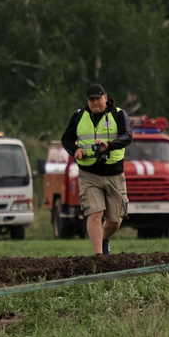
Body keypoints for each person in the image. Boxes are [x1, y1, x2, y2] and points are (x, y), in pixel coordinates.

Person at [63, 85, 131, 257]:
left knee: (115, 220)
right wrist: (75, 150)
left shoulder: (118, 114)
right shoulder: (79, 116)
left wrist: (109, 146)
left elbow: (127, 136)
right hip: (89, 173)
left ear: (105, 98)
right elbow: (66, 139)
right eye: (91, 99)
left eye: (98, 99)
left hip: (114, 173)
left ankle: (104, 238)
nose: (95, 102)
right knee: (95, 213)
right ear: (87, 101)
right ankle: (98, 257)